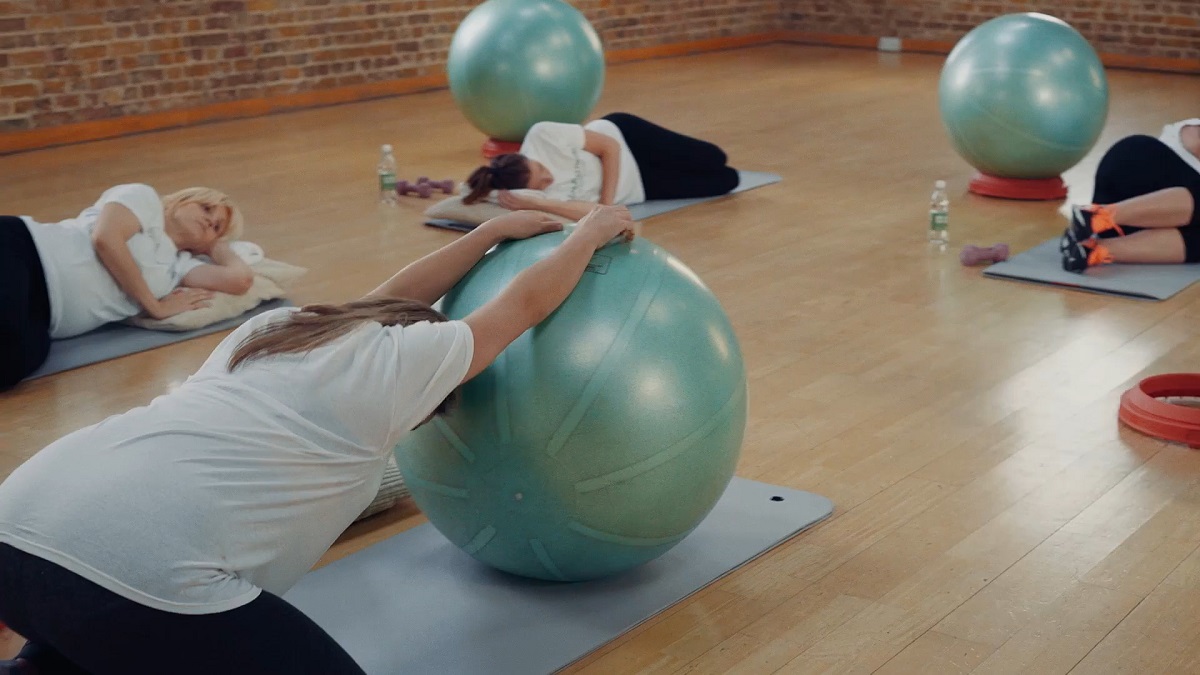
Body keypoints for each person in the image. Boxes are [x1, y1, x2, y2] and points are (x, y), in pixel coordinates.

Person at [0, 206, 636, 675]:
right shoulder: (407, 363)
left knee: (81, 637)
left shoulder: (278, 331)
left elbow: (380, 302)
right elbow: (522, 305)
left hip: (21, 518)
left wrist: (491, 231)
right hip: (142, 569)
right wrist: (591, 231)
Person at [1, 184, 256, 389]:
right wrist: (155, 306)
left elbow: (240, 281)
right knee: (7, 319)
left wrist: (219, 246)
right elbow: (106, 238)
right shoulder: (144, 200)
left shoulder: (179, 267)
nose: (209, 220)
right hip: (24, 251)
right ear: (182, 200)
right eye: (206, 207)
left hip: (43, 316)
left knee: (17, 362)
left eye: (217, 227)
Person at [462, 112, 741, 221]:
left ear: (526, 155)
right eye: (542, 183)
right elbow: (584, 214)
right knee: (727, 181)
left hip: (627, 138)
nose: (549, 178)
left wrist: (607, 206)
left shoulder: (542, 135)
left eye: (541, 169)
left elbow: (610, 148)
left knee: (714, 157)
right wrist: (543, 205)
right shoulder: (530, 199)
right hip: (642, 186)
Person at [1060, 118, 1200, 272]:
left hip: (1130, 227)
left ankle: (1090, 251)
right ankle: (1098, 217)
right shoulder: (1192, 132)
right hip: (1136, 164)